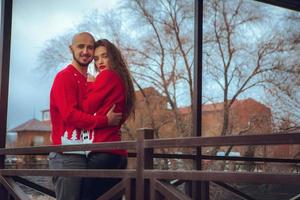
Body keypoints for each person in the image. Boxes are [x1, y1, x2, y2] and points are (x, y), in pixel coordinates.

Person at [49, 32, 122, 200]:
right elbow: (71, 115)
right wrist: (105, 121)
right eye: (80, 46)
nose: (85, 51)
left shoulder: (90, 81)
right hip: (66, 154)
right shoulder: (64, 77)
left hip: (86, 153)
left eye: (90, 47)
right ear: (71, 49)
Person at [81, 39, 136, 200]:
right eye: (96, 58)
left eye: (104, 56)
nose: (100, 62)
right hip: (118, 155)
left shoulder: (107, 76)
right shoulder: (122, 80)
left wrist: (90, 84)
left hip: (102, 152)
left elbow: (86, 107)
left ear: (113, 57)